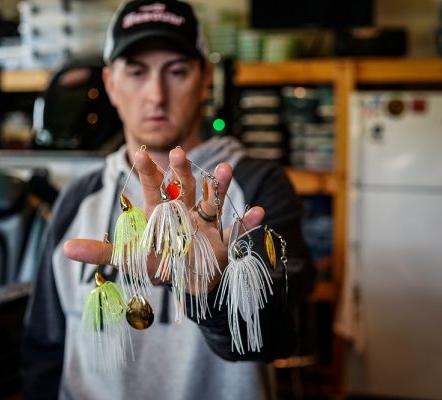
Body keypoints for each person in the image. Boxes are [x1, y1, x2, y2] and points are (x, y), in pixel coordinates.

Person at [20, 1, 316, 399]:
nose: (156, 95)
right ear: (110, 83)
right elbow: (44, 345)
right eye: (137, 72)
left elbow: (275, 338)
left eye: (176, 71)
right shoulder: (80, 198)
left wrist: (212, 291)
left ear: (206, 78)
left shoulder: (254, 187)